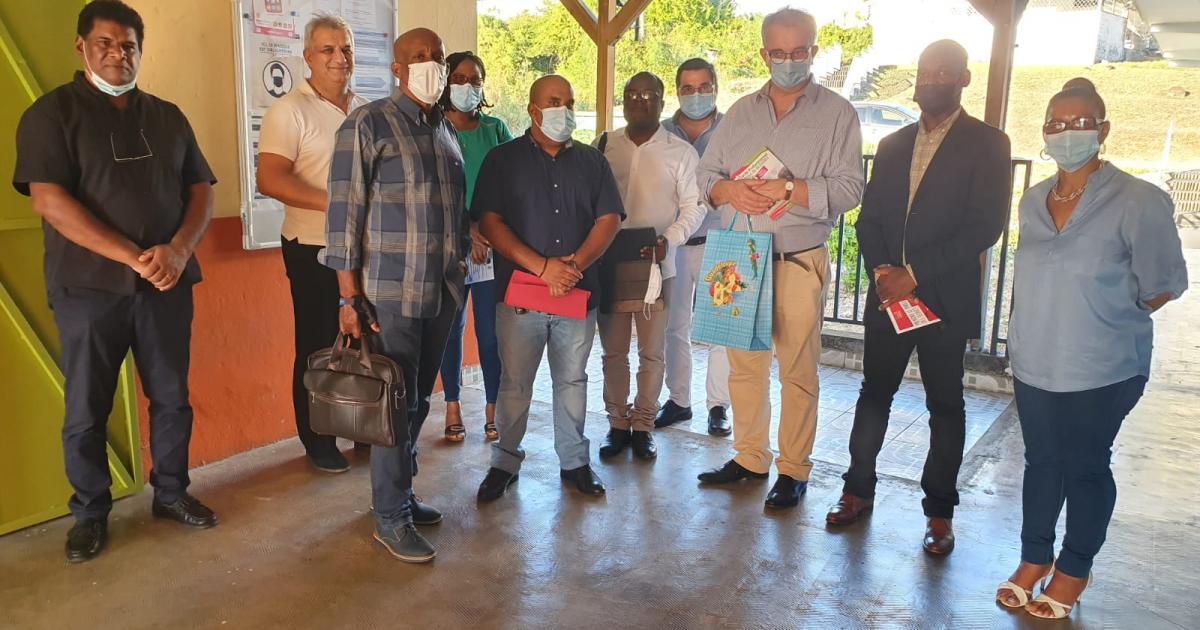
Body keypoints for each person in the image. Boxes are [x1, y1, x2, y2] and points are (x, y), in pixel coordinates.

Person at [12, 0, 218, 563]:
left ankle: (172, 494)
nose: (117, 54)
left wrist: (176, 250)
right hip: (88, 291)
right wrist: (132, 256)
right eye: (104, 43)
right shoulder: (51, 115)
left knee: (172, 398)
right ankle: (90, 513)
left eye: (128, 45)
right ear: (81, 47)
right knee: (86, 408)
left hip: (167, 285)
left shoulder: (167, 115)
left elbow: (201, 189)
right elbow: (49, 201)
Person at [995, 83, 1187, 619]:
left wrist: (1098, 316)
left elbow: (1161, 285)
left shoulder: (1140, 200)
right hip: (1036, 362)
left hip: (1103, 366)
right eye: (1055, 124)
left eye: (1079, 122)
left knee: (1084, 466)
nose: (1066, 133)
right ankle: (1034, 559)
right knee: (1041, 463)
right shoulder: (1034, 201)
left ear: (1102, 131)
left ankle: (1074, 568)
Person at [824, 40, 1012, 555]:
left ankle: (939, 514)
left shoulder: (989, 144)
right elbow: (871, 220)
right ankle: (856, 491)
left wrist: (916, 274)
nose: (931, 80)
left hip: (943, 301)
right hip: (889, 300)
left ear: (964, 79)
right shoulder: (893, 144)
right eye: (924, 71)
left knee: (945, 406)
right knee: (873, 395)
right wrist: (884, 273)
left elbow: (985, 225)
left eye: (943, 72)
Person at [695, 8, 863, 509]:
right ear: (764, 53)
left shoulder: (838, 114)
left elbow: (851, 188)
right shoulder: (741, 112)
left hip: (796, 257)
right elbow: (705, 177)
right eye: (778, 53)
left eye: (799, 52)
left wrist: (788, 188)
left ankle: (793, 469)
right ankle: (750, 458)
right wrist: (727, 189)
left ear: (813, 51)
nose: (788, 61)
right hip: (741, 258)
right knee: (743, 368)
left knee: (797, 370)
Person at [322, 27, 467, 564]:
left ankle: (399, 493)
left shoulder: (444, 130)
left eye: (438, 56)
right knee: (392, 405)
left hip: (441, 291)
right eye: (420, 58)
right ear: (398, 69)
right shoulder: (368, 123)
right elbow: (343, 216)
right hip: (388, 294)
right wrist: (347, 297)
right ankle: (389, 518)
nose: (431, 65)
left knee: (419, 402)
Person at [472, 75, 623, 502]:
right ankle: (504, 463)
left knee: (572, 382)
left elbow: (609, 219)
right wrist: (543, 268)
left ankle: (575, 463)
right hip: (520, 298)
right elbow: (490, 223)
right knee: (515, 384)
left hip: (577, 293)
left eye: (570, 101)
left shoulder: (593, 162)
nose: (566, 110)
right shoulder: (503, 160)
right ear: (534, 110)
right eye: (555, 102)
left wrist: (572, 266)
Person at [257, 14, 369, 473]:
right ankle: (317, 440)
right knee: (320, 344)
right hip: (312, 247)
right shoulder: (290, 110)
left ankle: (364, 426)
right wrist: (338, 203)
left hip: (364, 248)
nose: (339, 58)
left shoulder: (364, 109)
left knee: (364, 340)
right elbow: (271, 178)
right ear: (307, 57)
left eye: (345, 49)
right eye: (327, 50)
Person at [595, 71, 704, 460]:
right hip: (611, 265)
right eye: (633, 94)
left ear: (662, 101)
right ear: (623, 100)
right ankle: (616, 423)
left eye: (650, 94)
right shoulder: (604, 145)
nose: (641, 100)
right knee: (613, 352)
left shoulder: (681, 152)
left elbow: (694, 207)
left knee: (652, 352)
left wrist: (668, 240)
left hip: (658, 267)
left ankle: (643, 424)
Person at [436, 51, 512, 443]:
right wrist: (467, 230)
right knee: (450, 329)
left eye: (475, 79)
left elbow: (511, 186)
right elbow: (431, 192)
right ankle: (451, 405)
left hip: (490, 248)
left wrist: (485, 229)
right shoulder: (432, 127)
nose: (468, 86)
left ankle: (493, 407)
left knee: (490, 332)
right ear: (446, 82)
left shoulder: (496, 130)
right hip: (447, 246)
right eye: (460, 78)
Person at [659, 57, 732, 437]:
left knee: (721, 328)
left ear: (715, 88)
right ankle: (678, 400)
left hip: (722, 243)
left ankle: (719, 405)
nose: (696, 95)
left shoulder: (734, 130)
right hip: (676, 244)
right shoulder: (663, 133)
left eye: (704, 87)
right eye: (688, 88)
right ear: (678, 92)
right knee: (674, 326)